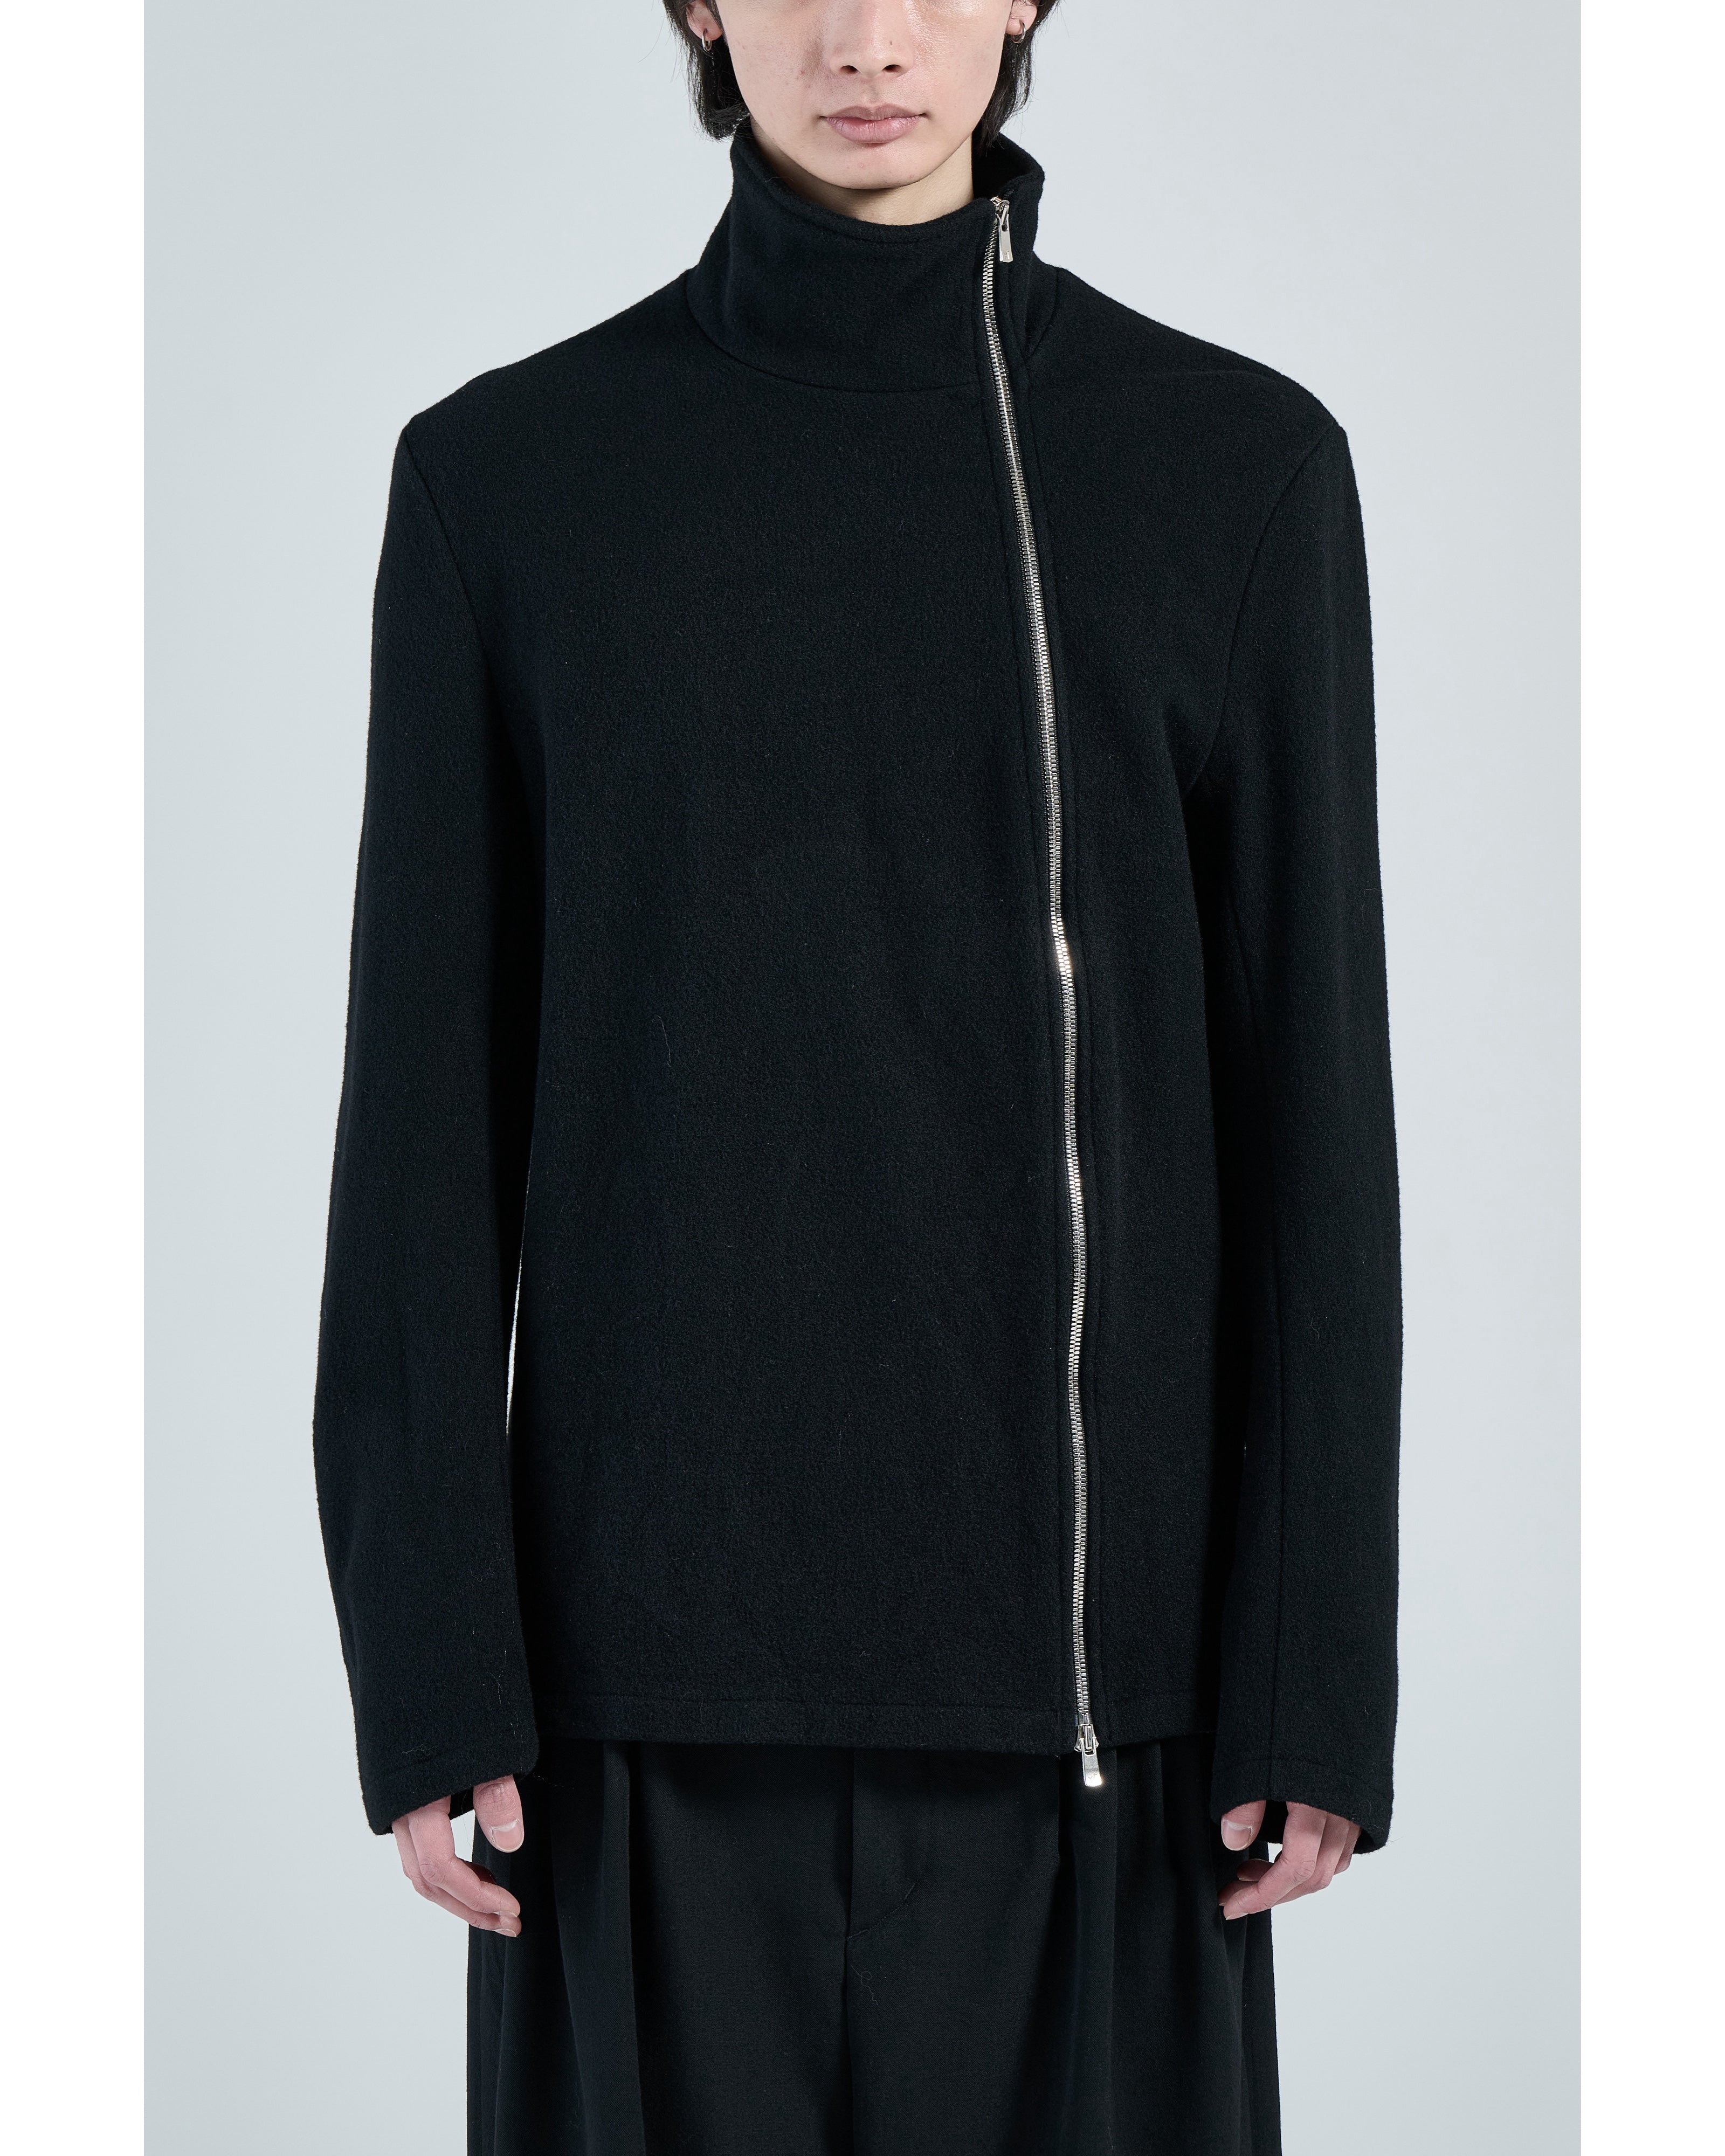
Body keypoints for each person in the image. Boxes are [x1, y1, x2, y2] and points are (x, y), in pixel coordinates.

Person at [312, 3, 1402, 2150]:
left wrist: (1314, 1673)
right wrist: (431, 1668)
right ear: (700, 5)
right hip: (629, 1716)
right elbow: (420, 1129)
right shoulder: (507, 481)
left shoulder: (1232, 470)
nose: (870, 34)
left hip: (1108, 1719)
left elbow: (1314, 1123)